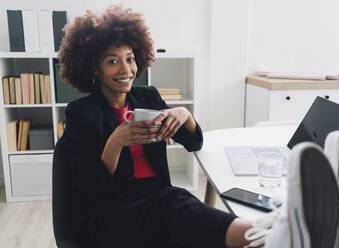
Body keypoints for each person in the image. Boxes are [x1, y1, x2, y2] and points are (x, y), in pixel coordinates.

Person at [57, 4, 258, 248]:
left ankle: (262, 236)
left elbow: (194, 142)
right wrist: (115, 142)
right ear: (94, 69)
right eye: (112, 61)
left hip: (156, 198)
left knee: (183, 214)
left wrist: (184, 115)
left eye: (130, 59)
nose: (126, 69)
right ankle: (265, 237)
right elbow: (91, 192)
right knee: (177, 203)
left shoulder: (148, 98)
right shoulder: (82, 115)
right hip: (111, 212)